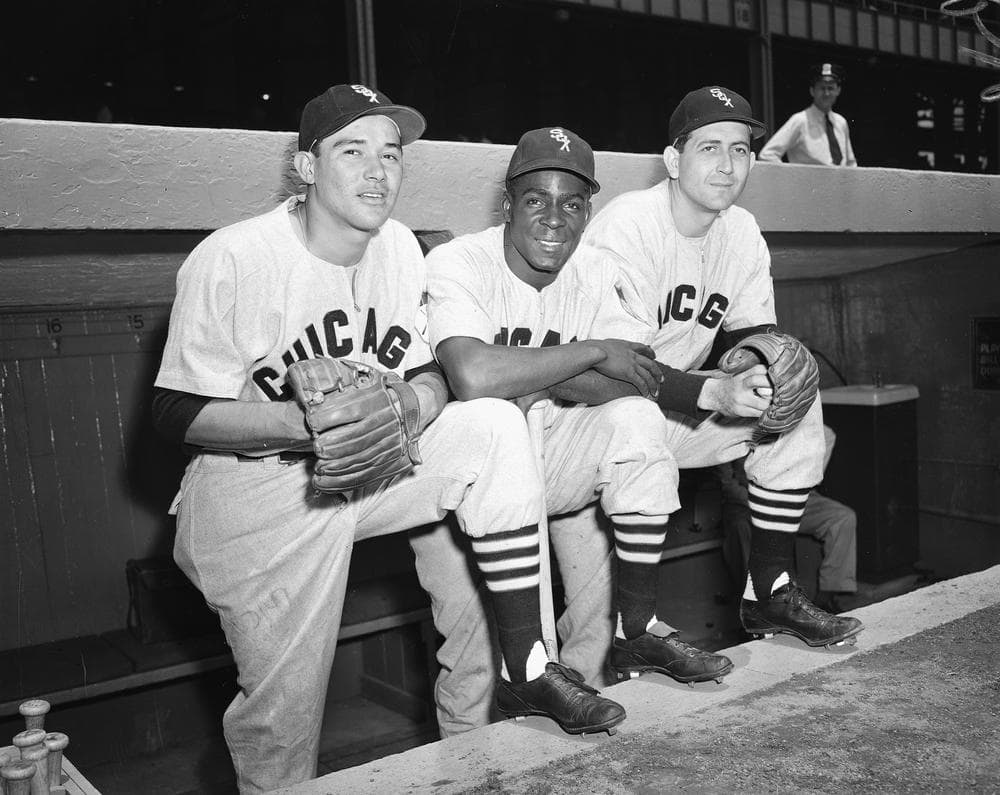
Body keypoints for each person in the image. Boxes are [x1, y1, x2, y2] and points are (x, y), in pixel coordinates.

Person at [151, 86, 623, 794]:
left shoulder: (399, 247)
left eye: (391, 154)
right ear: (306, 167)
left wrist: (414, 399)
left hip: (375, 470)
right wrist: (302, 423)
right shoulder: (234, 256)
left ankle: (525, 670)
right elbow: (174, 411)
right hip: (257, 490)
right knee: (282, 724)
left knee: (490, 425)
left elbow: (433, 371)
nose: (377, 171)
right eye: (352, 151)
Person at [411, 126, 734, 737]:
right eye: (537, 199)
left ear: (588, 212)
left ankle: (634, 637)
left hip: (551, 452)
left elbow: (636, 382)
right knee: (474, 656)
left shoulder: (596, 269)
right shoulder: (459, 261)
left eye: (573, 203)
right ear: (508, 204)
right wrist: (591, 351)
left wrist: (538, 377)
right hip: (458, 481)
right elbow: (474, 375)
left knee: (636, 421)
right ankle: (471, 774)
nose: (554, 219)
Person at [582, 85, 864, 648]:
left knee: (794, 395)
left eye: (740, 150)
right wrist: (717, 394)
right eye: (709, 148)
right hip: (593, 416)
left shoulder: (741, 231)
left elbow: (753, 338)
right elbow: (619, 368)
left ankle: (769, 593)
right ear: (673, 160)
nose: (727, 165)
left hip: (673, 409)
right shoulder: (628, 225)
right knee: (585, 621)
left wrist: (768, 370)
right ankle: (637, 635)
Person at [718, 425, 858, 613]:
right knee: (741, 527)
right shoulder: (732, 427)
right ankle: (755, 605)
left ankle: (827, 597)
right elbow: (728, 486)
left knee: (842, 517)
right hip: (746, 501)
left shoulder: (813, 430)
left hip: (791, 497)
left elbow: (811, 478)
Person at [758, 63, 857, 167]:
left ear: (838, 91)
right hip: (809, 178)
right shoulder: (800, 120)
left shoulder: (841, 122)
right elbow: (767, 155)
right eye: (822, 88)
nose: (826, 93)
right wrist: (791, 175)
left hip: (840, 177)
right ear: (812, 91)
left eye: (830, 88)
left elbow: (851, 163)